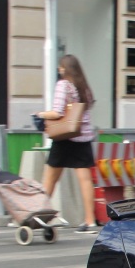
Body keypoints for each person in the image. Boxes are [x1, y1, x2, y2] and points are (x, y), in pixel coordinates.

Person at [37, 54, 99, 233]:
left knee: (50, 178)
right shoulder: (83, 87)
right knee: (85, 180)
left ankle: (40, 217)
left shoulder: (63, 85)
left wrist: (40, 114)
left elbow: (57, 112)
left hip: (65, 137)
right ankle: (90, 221)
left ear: (64, 69)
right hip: (83, 135)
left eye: (60, 67)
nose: (59, 70)